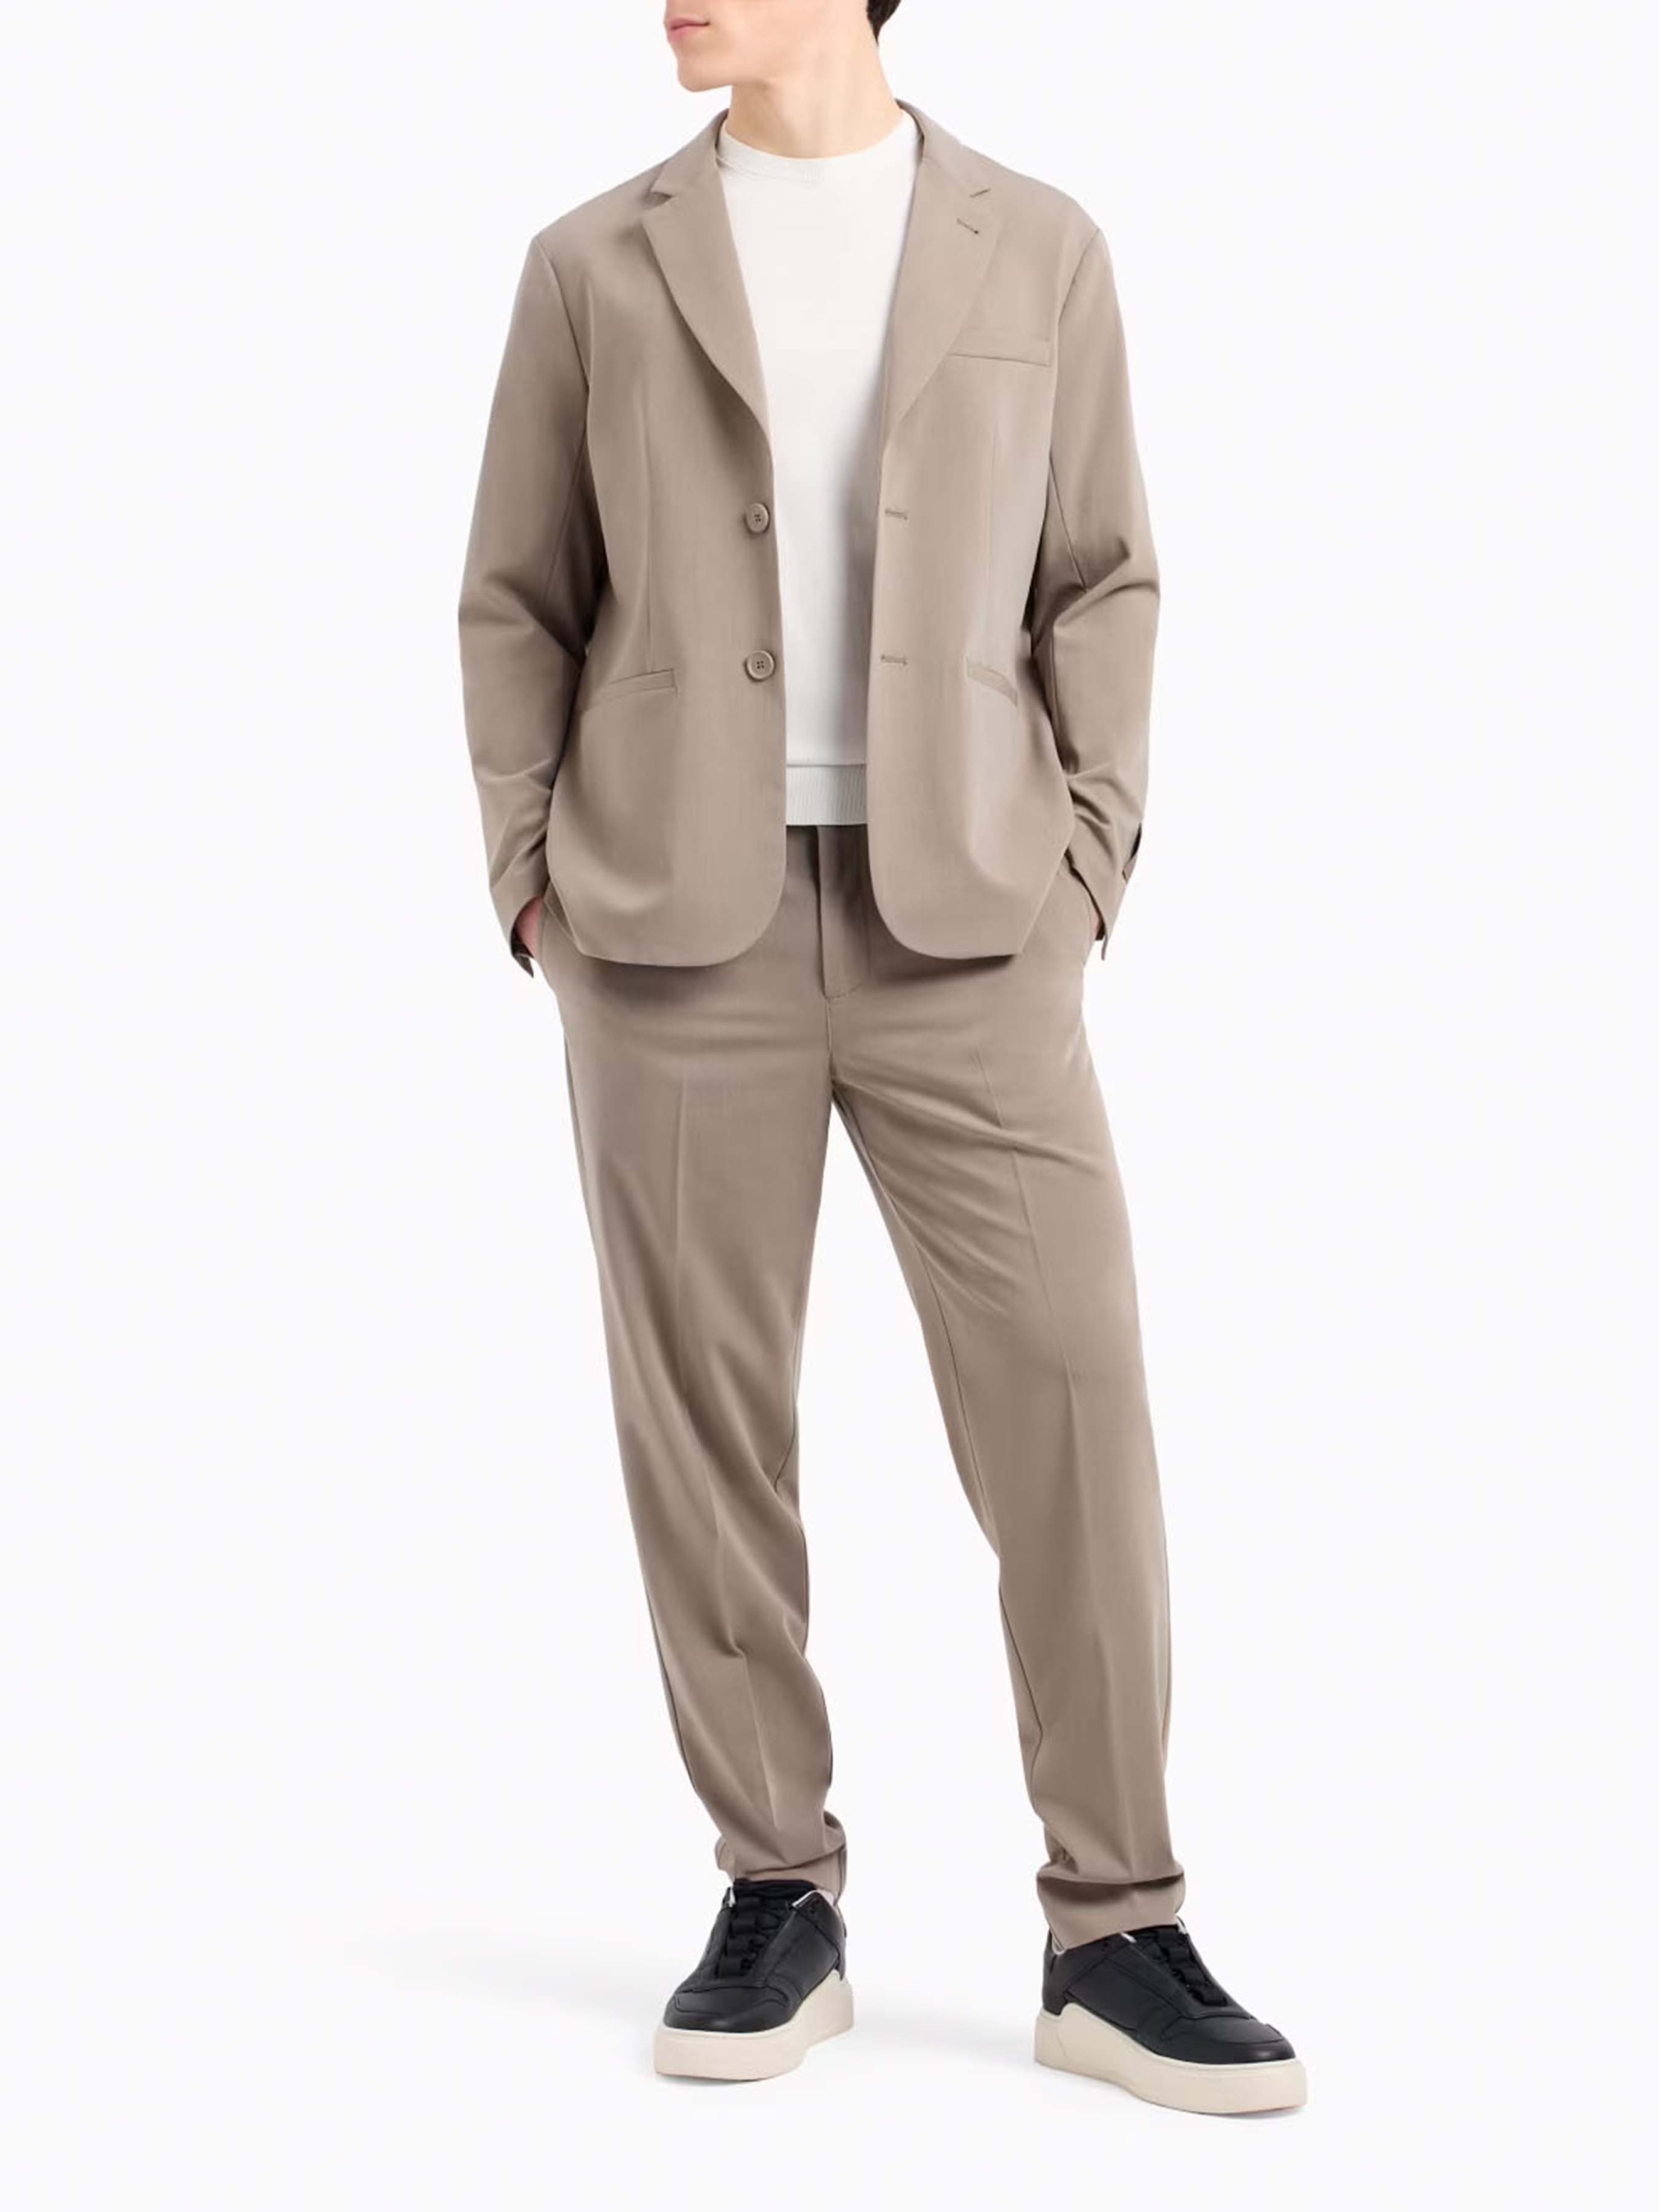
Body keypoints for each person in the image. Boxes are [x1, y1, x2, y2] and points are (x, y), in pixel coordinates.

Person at [458, 0, 1304, 2114]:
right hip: (672, 931)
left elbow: (1104, 578)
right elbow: (516, 598)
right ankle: (778, 1889)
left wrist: (1089, 861)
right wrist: (533, 882)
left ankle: (1117, 1928)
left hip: (974, 926)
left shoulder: (1041, 245)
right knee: (706, 1427)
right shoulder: (592, 263)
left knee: (1071, 1400)